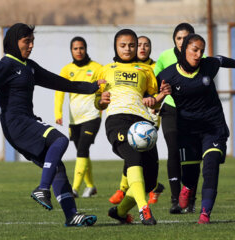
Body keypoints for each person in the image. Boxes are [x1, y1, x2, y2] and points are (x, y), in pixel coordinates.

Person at [0, 23, 105, 227]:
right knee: (60, 139)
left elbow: (59, 82)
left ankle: (71, 216)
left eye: (32, 42)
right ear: (13, 42)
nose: (31, 46)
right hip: (17, 124)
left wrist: (90, 87)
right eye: (26, 41)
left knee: (57, 167)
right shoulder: (6, 65)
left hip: (26, 122)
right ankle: (42, 188)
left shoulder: (29, 66)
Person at [156, 33, 235, 224]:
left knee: (210, 166)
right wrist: (157, 98)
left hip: (213, 126)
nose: (198, 55)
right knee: (190, 174)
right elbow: (152, 96)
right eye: (194, 50)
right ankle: (187, 187)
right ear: (184, 49)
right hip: (187, 130)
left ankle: (205, 213)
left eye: (201, 51)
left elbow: (221, 59)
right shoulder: (167, 75)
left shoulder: (208, 65)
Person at [95, 29, 171, 225]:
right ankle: (143, 209)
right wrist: (100, 101)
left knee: (151, 181)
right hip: (117, 119)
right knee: (133, 158)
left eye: (131, 45)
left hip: (143, 123)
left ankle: (119, 212)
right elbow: (98, 102)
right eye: (123, 45)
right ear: (116, 46)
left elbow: (152, 103)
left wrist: (160, 98)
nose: (127, 49)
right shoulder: (105, 69)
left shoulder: (146, 70)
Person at [108, 35, 165, 206]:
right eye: (138, 45)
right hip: (122, 118)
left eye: (145, 45)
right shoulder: (111, 69)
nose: (141, 48)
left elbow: (154, 94)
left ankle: (130, 197)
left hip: (149, 119)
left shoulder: (152, 68)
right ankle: (124, 190)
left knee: (148, 173)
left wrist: (157, 98)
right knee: (133, 155)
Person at [154, 23, 201, 214]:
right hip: (171, 110)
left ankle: (190, 200)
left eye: (187, 38)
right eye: (179, 38)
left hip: (193, 113)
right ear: (174, 40)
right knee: (173, 149)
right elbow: (155, 82)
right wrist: (157, 98)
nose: (183, 41)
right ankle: (175, 200)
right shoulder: (165, 57)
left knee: (192, 157)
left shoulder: (201, 58)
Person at [54, 37, 102, 198]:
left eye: (81, 48)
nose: (79, 51)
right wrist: (58, 113)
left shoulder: (96, 68)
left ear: (86, 49)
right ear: (71, 50)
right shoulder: (67, 69)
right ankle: (90, 186)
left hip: (92, 116)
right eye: (75, 48)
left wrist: (103, 106)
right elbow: (59, 91)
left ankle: (74, 189)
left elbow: (103, 90)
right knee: (83, 152)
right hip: (74, 119)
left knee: (82, 150)